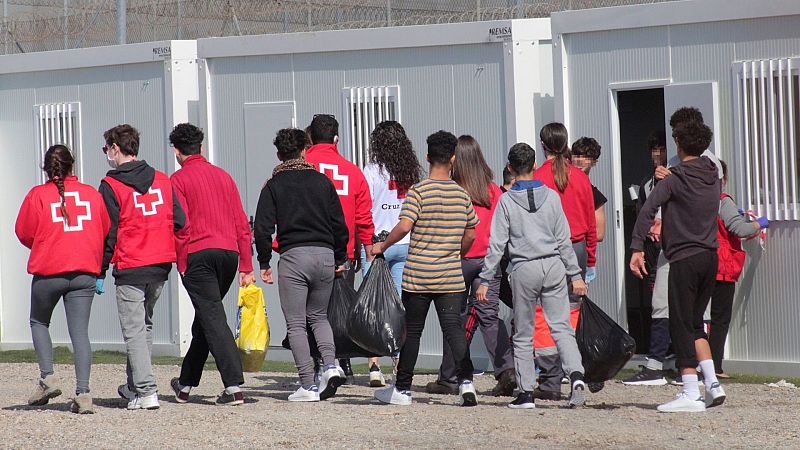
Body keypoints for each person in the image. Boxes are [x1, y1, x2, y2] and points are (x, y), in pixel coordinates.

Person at [476, 141, 589, 409]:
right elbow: (564, 239)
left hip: (524, 267)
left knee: (524, 333)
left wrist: (485, 278)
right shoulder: (551, 196)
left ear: (510, 168)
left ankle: (526, 393)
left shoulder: (505, 201)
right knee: (561, 327)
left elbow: (497, 244)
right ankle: (575, 376)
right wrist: (575, 275)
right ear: (535, 165)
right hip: (553, 265)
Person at [372, 130, 478, 407]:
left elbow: (405, 225)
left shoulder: (419, 191)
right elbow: (471, 234)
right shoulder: (461, 194)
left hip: (419, 274)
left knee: (413, 331)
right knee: (454, 329)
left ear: (428, 156)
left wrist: (382, 246)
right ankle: (466, 383)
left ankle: (403, 389)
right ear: (453, 158)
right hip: (450, 275)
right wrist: (457, 254)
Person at [630, 119, 723, 413]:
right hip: (710, 256)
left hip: (683, 258)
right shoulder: (714, 175)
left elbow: (647, 212)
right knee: (695, 323)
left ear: (679, 145)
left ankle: (690, 392)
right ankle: (712, 383)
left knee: (680, 324)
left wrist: (636, 248)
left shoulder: (673, 178)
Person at [255, 128, 349, 401]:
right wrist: (340, 257)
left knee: (296, 324)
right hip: (324, 255)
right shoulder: (322, 182)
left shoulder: (273, 185)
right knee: (319, 316)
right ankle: (330, 366)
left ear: (279, 154)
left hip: (294, 257)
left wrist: (264, 261)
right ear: (305, 150)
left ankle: (307, 384)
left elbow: (262, 228)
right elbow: (339, 224)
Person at [15, 145, 110, 414]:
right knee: (80, 332)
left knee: (38, 321)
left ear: (46, 168)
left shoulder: (38, 195)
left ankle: (48, 377)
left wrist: (46, 244)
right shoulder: (91, 195)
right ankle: (83, 393)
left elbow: (23, 232)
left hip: (48, 272)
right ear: (72, 166)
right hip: (84, 273)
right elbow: (103, 229)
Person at [98, 124, 186, 411]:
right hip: (160, 263)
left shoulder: (111, 185)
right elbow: (180, 220)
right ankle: (135, 385)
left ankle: (147, 390)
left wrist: (100, 269)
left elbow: (108, 232)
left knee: (134, 330)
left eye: (106, 149)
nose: (106, 155)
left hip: (132, 262)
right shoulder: (162, 179)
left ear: (115, 148)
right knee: (144, 326)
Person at [169, 123, 255, 406]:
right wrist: (246, 265)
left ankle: (233, 386)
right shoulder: (224, 177)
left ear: (177, 152)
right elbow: (242, 224)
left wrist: (180, 262)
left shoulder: (177, 180)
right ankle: (184, 385)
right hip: (228, 255)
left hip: (198, 254)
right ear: (201, 147)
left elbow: (180, 226)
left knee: (213, 318)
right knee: (207, 317)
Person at [426, 135, 516, 397]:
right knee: (489, 317)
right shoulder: (492, 190)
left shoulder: (453, 189)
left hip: (459, 259)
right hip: (489, 262)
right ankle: (507, 370)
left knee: (454, 318)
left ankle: (449, 376)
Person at [305, 114, 375, 384]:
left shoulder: (301, 165)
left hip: (305, 247)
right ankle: (341, 360)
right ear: (336, 138)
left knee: (309, 310)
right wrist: (365, 247)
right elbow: (363, 215)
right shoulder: (352, 171)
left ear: (310, 136)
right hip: (341, 250)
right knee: (338, 307)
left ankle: (317, 363)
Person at [530, 123, 596, 400]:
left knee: (543, 314)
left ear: (543, 145)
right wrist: (590, 259)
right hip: (577, 248)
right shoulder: (581, 178)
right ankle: (575, 372)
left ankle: (549, 378)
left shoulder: (538, 178)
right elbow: (591, 222)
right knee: (570, 313)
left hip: (547, 250)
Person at [360, 120, 422, 387]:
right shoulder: (410, 171)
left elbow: (363, 209)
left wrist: (365, 246)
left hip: (377, 245)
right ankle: (397, 361)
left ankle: (374, 365)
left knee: (373, 307)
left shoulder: (372, 170)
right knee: (397, 308)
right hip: (406, 242)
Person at [623, 130, 671, 386]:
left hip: (674, 247)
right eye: (654, 149)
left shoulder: (676, 177)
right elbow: (643, 211)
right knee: (657, 300)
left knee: (673, 304)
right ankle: (658, 355)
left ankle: (670, 357)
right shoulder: (646, 183)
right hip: (652, 249)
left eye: (662, 149)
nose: (657, 154)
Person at [711, 160, 767, 377]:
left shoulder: (698, 201)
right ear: (723, 179)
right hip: (723, 265)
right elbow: (739, 229)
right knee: (720, 317)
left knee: (699, 317)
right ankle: (714, 366)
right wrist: (759, 223)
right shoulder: (724, 201)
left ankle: (691, 364)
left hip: (700, 263)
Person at [570, 137, 607, 244]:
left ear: (594, 162)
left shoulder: (595, 196)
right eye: (577, 156)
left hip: (580, 250)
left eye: (586, 157)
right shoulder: (561, 184)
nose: (580, 160)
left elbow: (599, 234)